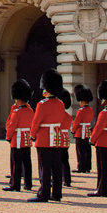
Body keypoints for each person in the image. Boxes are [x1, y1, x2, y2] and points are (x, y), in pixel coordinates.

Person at [28, 69, 67, 203]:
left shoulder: (42, 104)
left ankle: (44, 194)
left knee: (44, 168)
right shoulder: (61, 103)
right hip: (56, 138)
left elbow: (36, 122)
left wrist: (32, 135)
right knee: (56, 167)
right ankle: (57, 193)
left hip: (44, 138)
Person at [3, 79, 33, 192]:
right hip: (26, 139)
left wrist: (8, 137)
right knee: (27, 162)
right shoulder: (30, 111)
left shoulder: (17, 112)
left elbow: (10, 126)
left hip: (17, 140)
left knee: (16, 163)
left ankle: (15, 184)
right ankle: (28, 184)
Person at [71, 84, 94, 174]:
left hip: (80, 132)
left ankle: (81, 166)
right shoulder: (91, 110)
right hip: (87, 132)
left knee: (80, 151)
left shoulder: (81, 110)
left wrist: (72, 130)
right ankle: (88, 166)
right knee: (87, 150)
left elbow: (77, 122)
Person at [57, 88, 73, 187]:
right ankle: (67, 180)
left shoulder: (58, 114)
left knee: (56, 161)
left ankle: (58, 178)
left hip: (58, 139)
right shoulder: (68, 115)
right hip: (65, 139)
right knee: (65, 161)